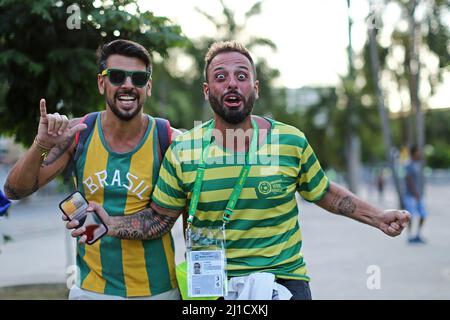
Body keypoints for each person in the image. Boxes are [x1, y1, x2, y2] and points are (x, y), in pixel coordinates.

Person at [67, 41, 410, 300]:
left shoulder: (289, 141)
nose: (232, 83)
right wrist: (110, 223)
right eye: (220, 77)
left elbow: (325, 192)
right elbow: (158, 218)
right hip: (210, 287)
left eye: (241, 76)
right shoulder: (183, 150)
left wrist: (378, 217)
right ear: (207, 91)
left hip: (282, 282)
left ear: (255, 88)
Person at [3, 39, 181, 300]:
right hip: (91, 291)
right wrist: (41, 144)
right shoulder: (79, 134)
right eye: (117, 76)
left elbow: (172, 218)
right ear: (101, 83)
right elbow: (14, 190)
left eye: (139, 79)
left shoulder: (168, 139)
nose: (128, 85)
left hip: (157, 291)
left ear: (148, 87)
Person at [404, 145, 428, 244]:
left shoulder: (418, 164)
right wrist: (415, 193)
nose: (420, 153)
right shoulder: (409, 164)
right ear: (414, 152)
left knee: (423, 215)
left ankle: (418, 234)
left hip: (418, 195)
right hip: (411, 195)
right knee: (410, 216)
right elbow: (409, 180)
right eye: (418, 151)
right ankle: (409, 236)